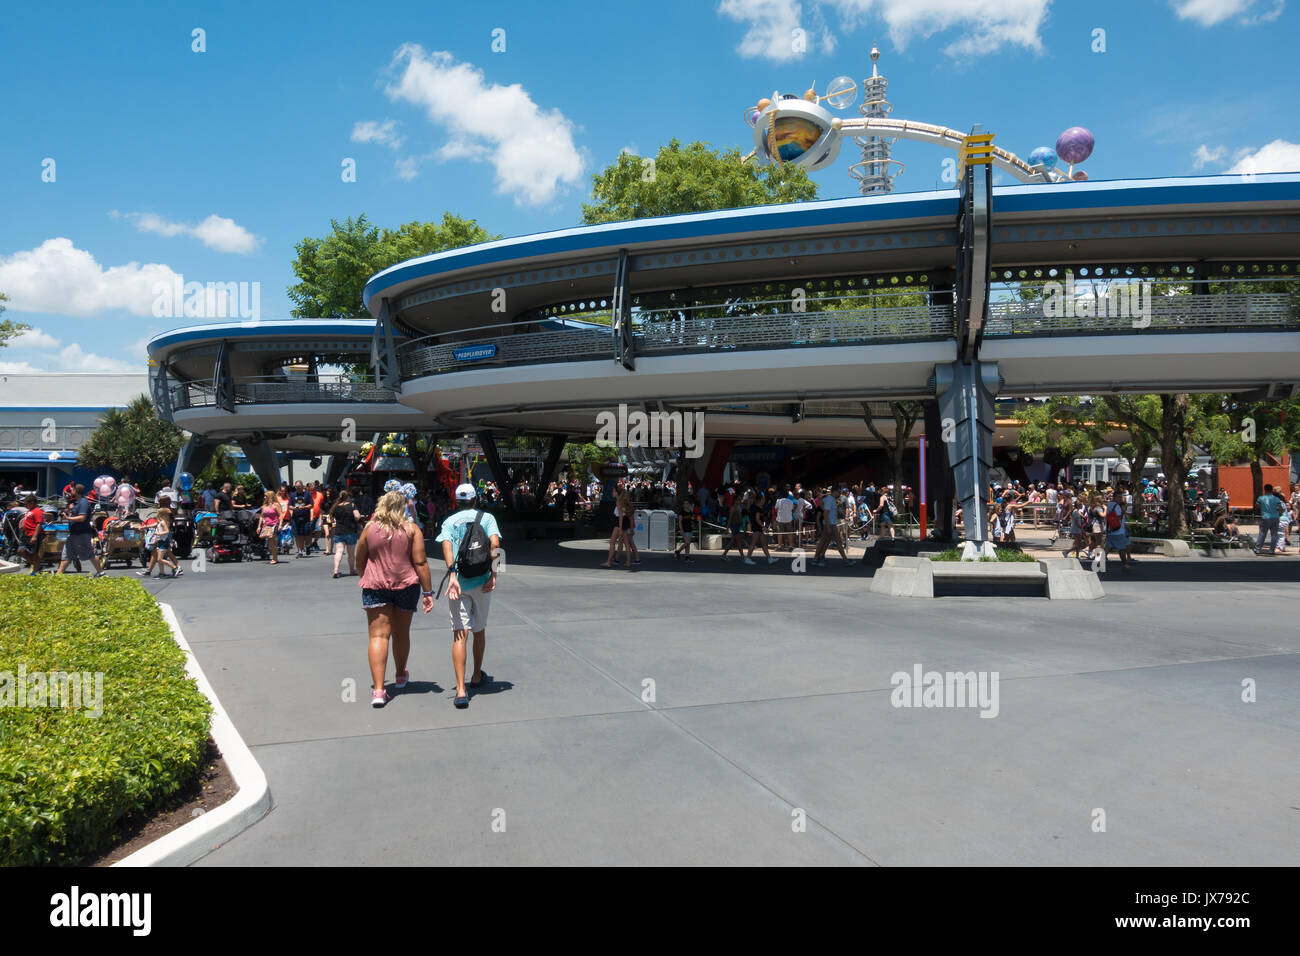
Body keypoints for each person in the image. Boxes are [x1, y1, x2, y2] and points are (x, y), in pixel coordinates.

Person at [356, 490, 434, 708]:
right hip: (406, 585)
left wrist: (366, 576)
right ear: (404, 508)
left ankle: (379, 690)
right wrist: (428, 592)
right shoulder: (411, 530)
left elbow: (359, 558)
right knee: (401, 633)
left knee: (378, 637)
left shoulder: (369, 529)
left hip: (375, 586)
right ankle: (400, 675)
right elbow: (420, 562)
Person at [435, 483, 502, 709]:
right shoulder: (488, 518)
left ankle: (461, 690)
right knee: (479, 630)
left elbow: (446, 545)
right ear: (475, 499)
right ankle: (475, 676)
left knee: (459, 634)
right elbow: (495, 544)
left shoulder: (449, 521)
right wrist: (495, 575)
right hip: (482, 580)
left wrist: (452, 573)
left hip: (458, 583)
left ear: (457, 501)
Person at [57, 484, 106, 577]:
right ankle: (58, 575)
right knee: (66, 555)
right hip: (73, 534)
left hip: (81, 534)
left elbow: (82, 518)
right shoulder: (76, 503)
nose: (71, 492)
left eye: (72, 490)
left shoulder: (83, 503)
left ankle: (101, 572)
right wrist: (68, 513)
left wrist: (68, 518)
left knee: (89, 554)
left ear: (76, 491)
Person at [813, 486, 856, 568]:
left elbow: (822, 504)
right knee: (836, 541)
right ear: (834, 491)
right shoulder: (830, 499)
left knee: (824, 541)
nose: (840, 493)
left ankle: (817, 558)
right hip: (830, 524)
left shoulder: (830, 499)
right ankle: (845, 560)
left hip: (830, 523)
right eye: (839, 491)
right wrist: (828, 526)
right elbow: (825, 513)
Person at [328, 490, 362, 577]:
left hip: (339, 531)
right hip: (350, 531)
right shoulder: (352, 505)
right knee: (350, 553)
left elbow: (331, 518)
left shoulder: (335, 507)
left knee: (339, 551)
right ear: (348, 497)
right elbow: (357, 517)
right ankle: (351, 570)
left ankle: (336, 570)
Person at [602, 487, 637, 569]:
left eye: (614, 491)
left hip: (619, 523)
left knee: (612, 542)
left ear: (617, 493)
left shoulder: (618, 502)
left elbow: (620, 516)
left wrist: (620, 528)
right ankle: (628, 561)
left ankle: (609, 562)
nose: (612, 492)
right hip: (624, 522)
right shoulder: (624, 501)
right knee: (626, 543)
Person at [744, 489, 778, 566]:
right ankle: (748, 558)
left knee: (764, 544)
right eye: (763, 499)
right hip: (757, 527)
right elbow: (757, 519)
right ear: (761, 500)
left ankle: (769, 558)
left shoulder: (754, 506)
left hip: (757, 527)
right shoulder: (757, 508)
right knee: (753, 543)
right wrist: (763, 526)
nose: (764, 500)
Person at [16, 494, 45, 574]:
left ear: (32, 502)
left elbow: (39, 524)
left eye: (27, 504)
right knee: (20, 551)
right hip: (26, 535)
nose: (25, 506)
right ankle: (36, 564)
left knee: (33, 553)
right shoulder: (30, 511)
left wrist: (35, 536)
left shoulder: (37, 511)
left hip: (33, 534)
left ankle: (35, 570)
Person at [1254, 484, 1284, 555]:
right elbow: (1280, 509)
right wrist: (1278, 513)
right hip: (1275, 517)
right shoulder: (1276, 499)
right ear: (1271, 490)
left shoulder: (1261, 498)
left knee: (1262, 534)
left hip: (1265, 517)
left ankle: (1257, 549)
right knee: (1274, 535)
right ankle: (1271, 550)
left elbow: (1257, 506)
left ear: (1265, 490)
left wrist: (1263, 507)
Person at [257, 490, 285, 564]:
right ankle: (274, 555)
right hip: (266, 525)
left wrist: (280, 524)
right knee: (270, 543)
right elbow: (261, 517)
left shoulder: (276, 505)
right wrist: (259, 526)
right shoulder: (264, 506)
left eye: (266, 496)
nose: (264, 497)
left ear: (270, 497)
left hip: (274, 524)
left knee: (271, 539)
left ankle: (274, 558)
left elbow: (280, 515)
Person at [289, 480, 313, 558]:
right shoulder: (293, 495)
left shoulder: (307, 494)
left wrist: (304, 507)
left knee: (307, 534)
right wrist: (293, 508)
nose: (298, 488)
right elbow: (289, 505)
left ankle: (308, 545)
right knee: (297, 535)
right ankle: (300, 551)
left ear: (302, 486)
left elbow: (311, 505)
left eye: (299, 487)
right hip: (295, 518)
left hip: (305, 517)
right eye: (296, 487)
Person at [674, 490, 697, 563]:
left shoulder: (690, 511)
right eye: (684, 503)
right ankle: (678, 551)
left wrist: (693, 518)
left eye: (686, 503)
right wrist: (681, 530)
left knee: (688, 544)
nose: (685, 504)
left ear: (689, 504)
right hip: (684, 529)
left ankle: (687, 556)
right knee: (687, 543)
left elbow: (692, 518)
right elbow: (680, 521)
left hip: (689, 528)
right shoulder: (682, 512)